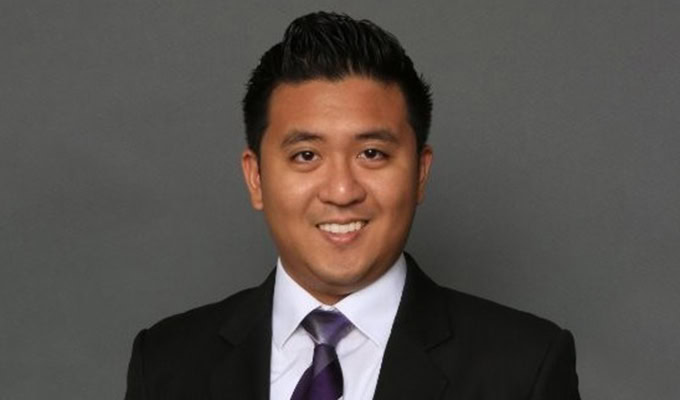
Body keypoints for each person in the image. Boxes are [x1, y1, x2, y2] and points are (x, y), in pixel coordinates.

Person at [124, 11, 580, 400]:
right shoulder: (166, 363)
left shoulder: (524, 369)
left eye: (372, 154)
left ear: (420, 173)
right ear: (256, 177)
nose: (342, 192)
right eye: (306, 156)